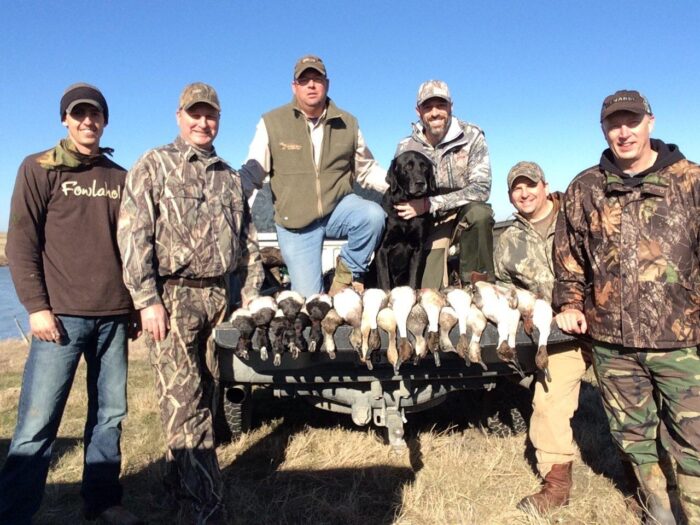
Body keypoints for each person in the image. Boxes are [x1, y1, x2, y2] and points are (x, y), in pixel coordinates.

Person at [117, 83, 263, 524]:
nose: (203, 122)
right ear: (179, 116)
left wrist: (249, 299)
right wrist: (147, 299)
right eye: (195, 114)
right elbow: (133, 234)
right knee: (185, 403)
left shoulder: (229, 176)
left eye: (211, 115)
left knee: (208, 393)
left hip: (220, 297)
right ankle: (209, 507)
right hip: (172, 299)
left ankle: (175, 487)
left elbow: (249, 245)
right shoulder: (153, 164)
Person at [554, 90, 700, 524]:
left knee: (695, 439)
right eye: (614, 123)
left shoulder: (691, 181)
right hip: (613, 346)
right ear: (604, 129)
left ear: (650, 123)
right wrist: (568, 301)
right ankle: (660, 512)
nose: (623, 131)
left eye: (631, 120)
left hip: (683, 340)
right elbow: (569, 258)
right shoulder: (586, 187)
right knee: (634, 438)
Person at [0, 83, 141, 524]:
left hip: (114, 316)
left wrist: (136, 305)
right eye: (78, 114)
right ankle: (15, 511)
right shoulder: (39, 168)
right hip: (60, 319)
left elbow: (132, 248)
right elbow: (21, 241)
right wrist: (36, 306)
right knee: (37, 424)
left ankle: (101, 502)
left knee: (109, 415)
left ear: (104, 120)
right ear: (65, 119)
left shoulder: (119, 178)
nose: (87, 122)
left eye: (95, 114)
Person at [240, 55, 387, 296]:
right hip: (296, 223)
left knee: (373, 216)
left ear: (326, 84)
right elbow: (253, 171)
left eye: (317, 79)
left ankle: (345, 273)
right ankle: (322, 289)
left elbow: (367, 169)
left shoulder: (348, 123)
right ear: (294, 86)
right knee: (311, 300)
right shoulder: (272, 122)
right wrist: (230, 195)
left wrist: (398, 187)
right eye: (304, 80)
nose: (311, 85)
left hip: (338, 209)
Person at [494, 161, 589, 513]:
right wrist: (525, 309)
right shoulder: (507, 240)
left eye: (530, 184)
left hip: (600, 323)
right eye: (517, 188)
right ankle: (556, 482)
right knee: (547, 403)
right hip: (557, 335)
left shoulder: (576, 219)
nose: (524, 192)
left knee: (629, 403)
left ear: (545, 185)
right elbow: (505, 287)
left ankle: (646, 472)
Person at [395, 80, 494, 288]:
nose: (435, 113)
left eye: (441, 105)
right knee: (429, 289)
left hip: (461, 214)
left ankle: (478, 285)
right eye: (427, 107)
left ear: (451, 107)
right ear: (418, 111)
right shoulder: (406, 147)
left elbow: (482, 189)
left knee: (480, 214)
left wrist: (431, 203)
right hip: (426, 223)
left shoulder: (472, 136)